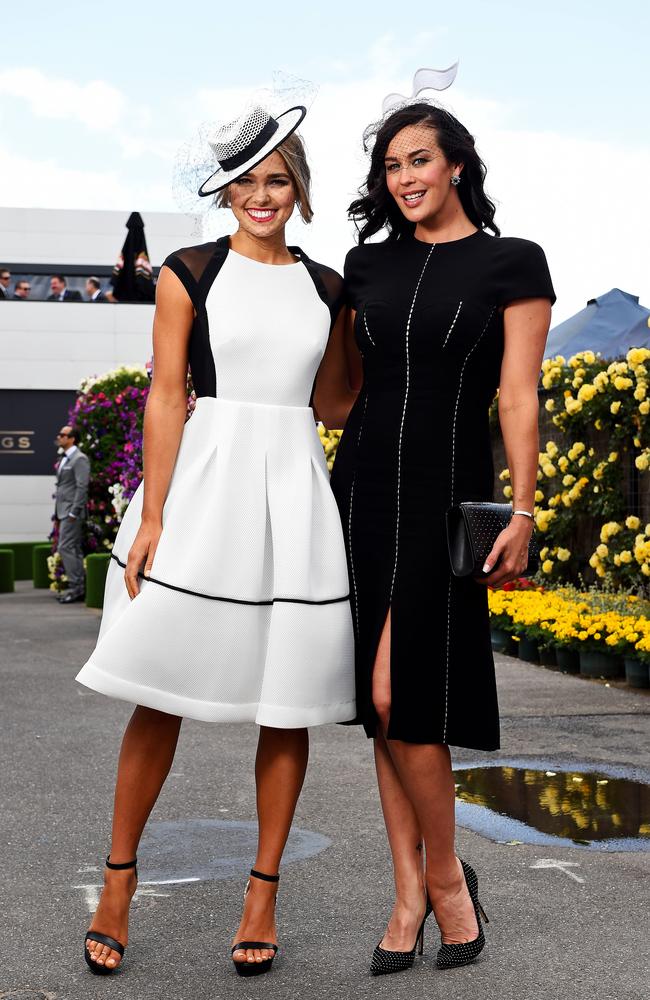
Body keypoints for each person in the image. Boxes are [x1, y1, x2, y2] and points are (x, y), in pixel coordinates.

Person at [75, 96, 355, 977]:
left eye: (277, 180)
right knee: (160, 689)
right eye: (245, 182)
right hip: (203, 488)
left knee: (288, 702)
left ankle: (263, 891)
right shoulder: (187, 271)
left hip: (296, 494)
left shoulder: (329, 286)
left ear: (300, 189)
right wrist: (154, 515)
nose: (261, 196)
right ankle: (117, 882)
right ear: (226, 191)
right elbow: (165, 394)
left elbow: (338, 403)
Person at [318, 101, 555, 976]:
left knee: (399, 694)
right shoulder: (364, 267)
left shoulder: (512, 262)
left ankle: (447, 879)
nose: (405, 178)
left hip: (446, 502)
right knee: (381, 708)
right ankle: (407, 890)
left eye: (419, 159)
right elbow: (336, 395)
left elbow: (518, 397)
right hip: (360, 497)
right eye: (391, 166)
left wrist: (524, 511)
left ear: (457, 164)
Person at [54, 425, 90, 604]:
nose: (59, 437)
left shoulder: (79, 459)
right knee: (73, 549)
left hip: (71, 513)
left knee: (66, 548)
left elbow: (82, 486)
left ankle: (76, 589)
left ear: (72, 439)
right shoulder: (65, 458)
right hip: (64, 512)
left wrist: (74, 512)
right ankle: (79, 589)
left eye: (63, 435)